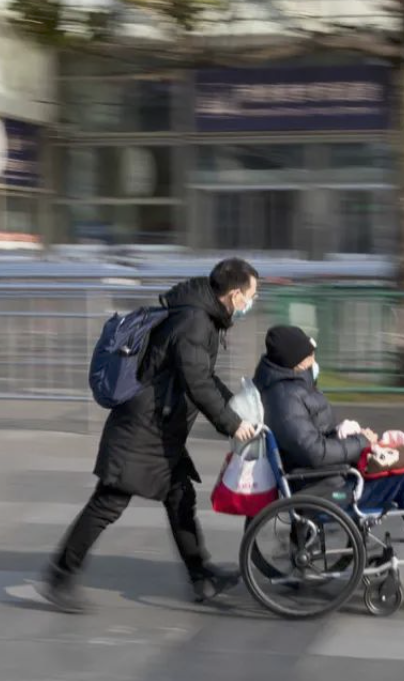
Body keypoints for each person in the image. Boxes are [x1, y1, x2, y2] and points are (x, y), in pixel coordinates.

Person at [37, 258, 262, 613]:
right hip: (143, 428)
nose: (251, 302)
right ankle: (59, 577)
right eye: (251, 295)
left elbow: (202, 375)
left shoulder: (200, 314)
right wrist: (231, 423)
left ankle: (201, 576)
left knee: (180, 496)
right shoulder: (194, 322)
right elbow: (197, 382)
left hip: (159, 425)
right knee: (107, 503)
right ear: (234, 294)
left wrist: (234, 406)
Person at [253, 325, 404, 588]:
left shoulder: (291, 388)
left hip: (331, 476)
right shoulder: (286, 399)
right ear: (294, 362)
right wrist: (360, 442)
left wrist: (353, 436)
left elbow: (315, 440)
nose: (314, 362)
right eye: (309, 357)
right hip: (328, 489)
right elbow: (314, 452)